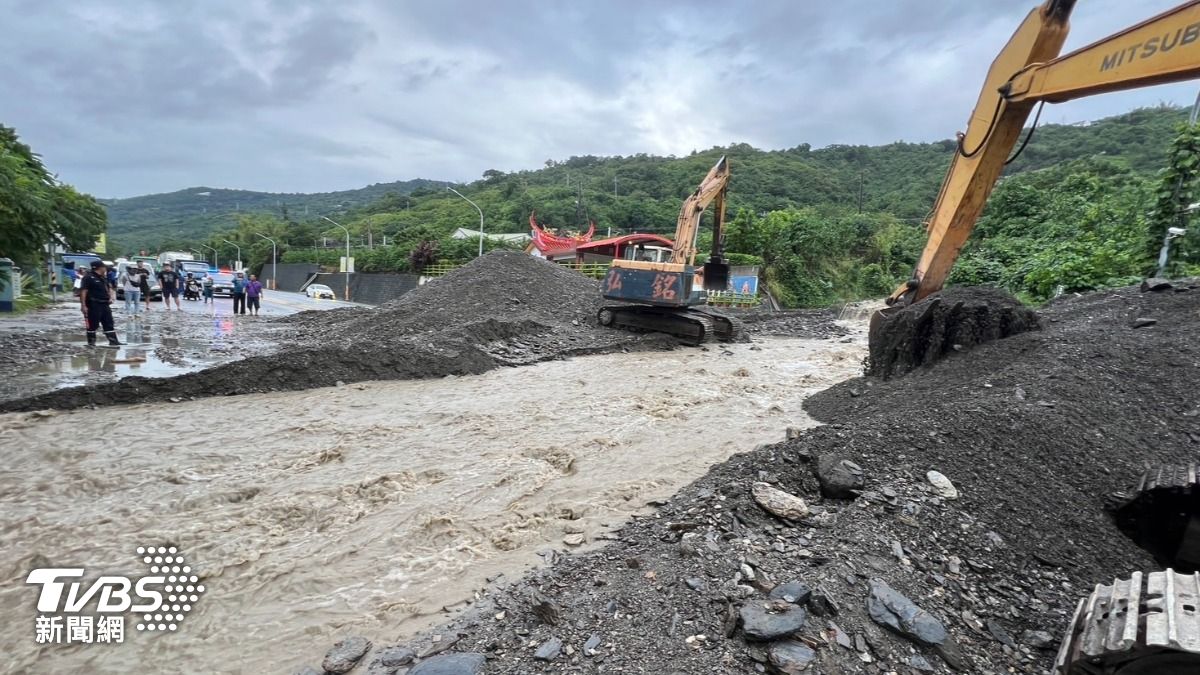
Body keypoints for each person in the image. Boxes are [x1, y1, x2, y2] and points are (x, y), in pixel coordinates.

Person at [80, 260, 122, 347]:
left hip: (105, 304)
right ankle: (91, 343)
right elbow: (84, 291)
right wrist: (83, 305)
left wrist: (109, 297)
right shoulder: (88, 277)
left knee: (109, 322)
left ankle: (113, 341)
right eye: (104, 267)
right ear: (100, 268)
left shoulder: (102, 278)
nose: (105, 269)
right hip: (93, 304)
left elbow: (106, 288)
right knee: (92, 324)